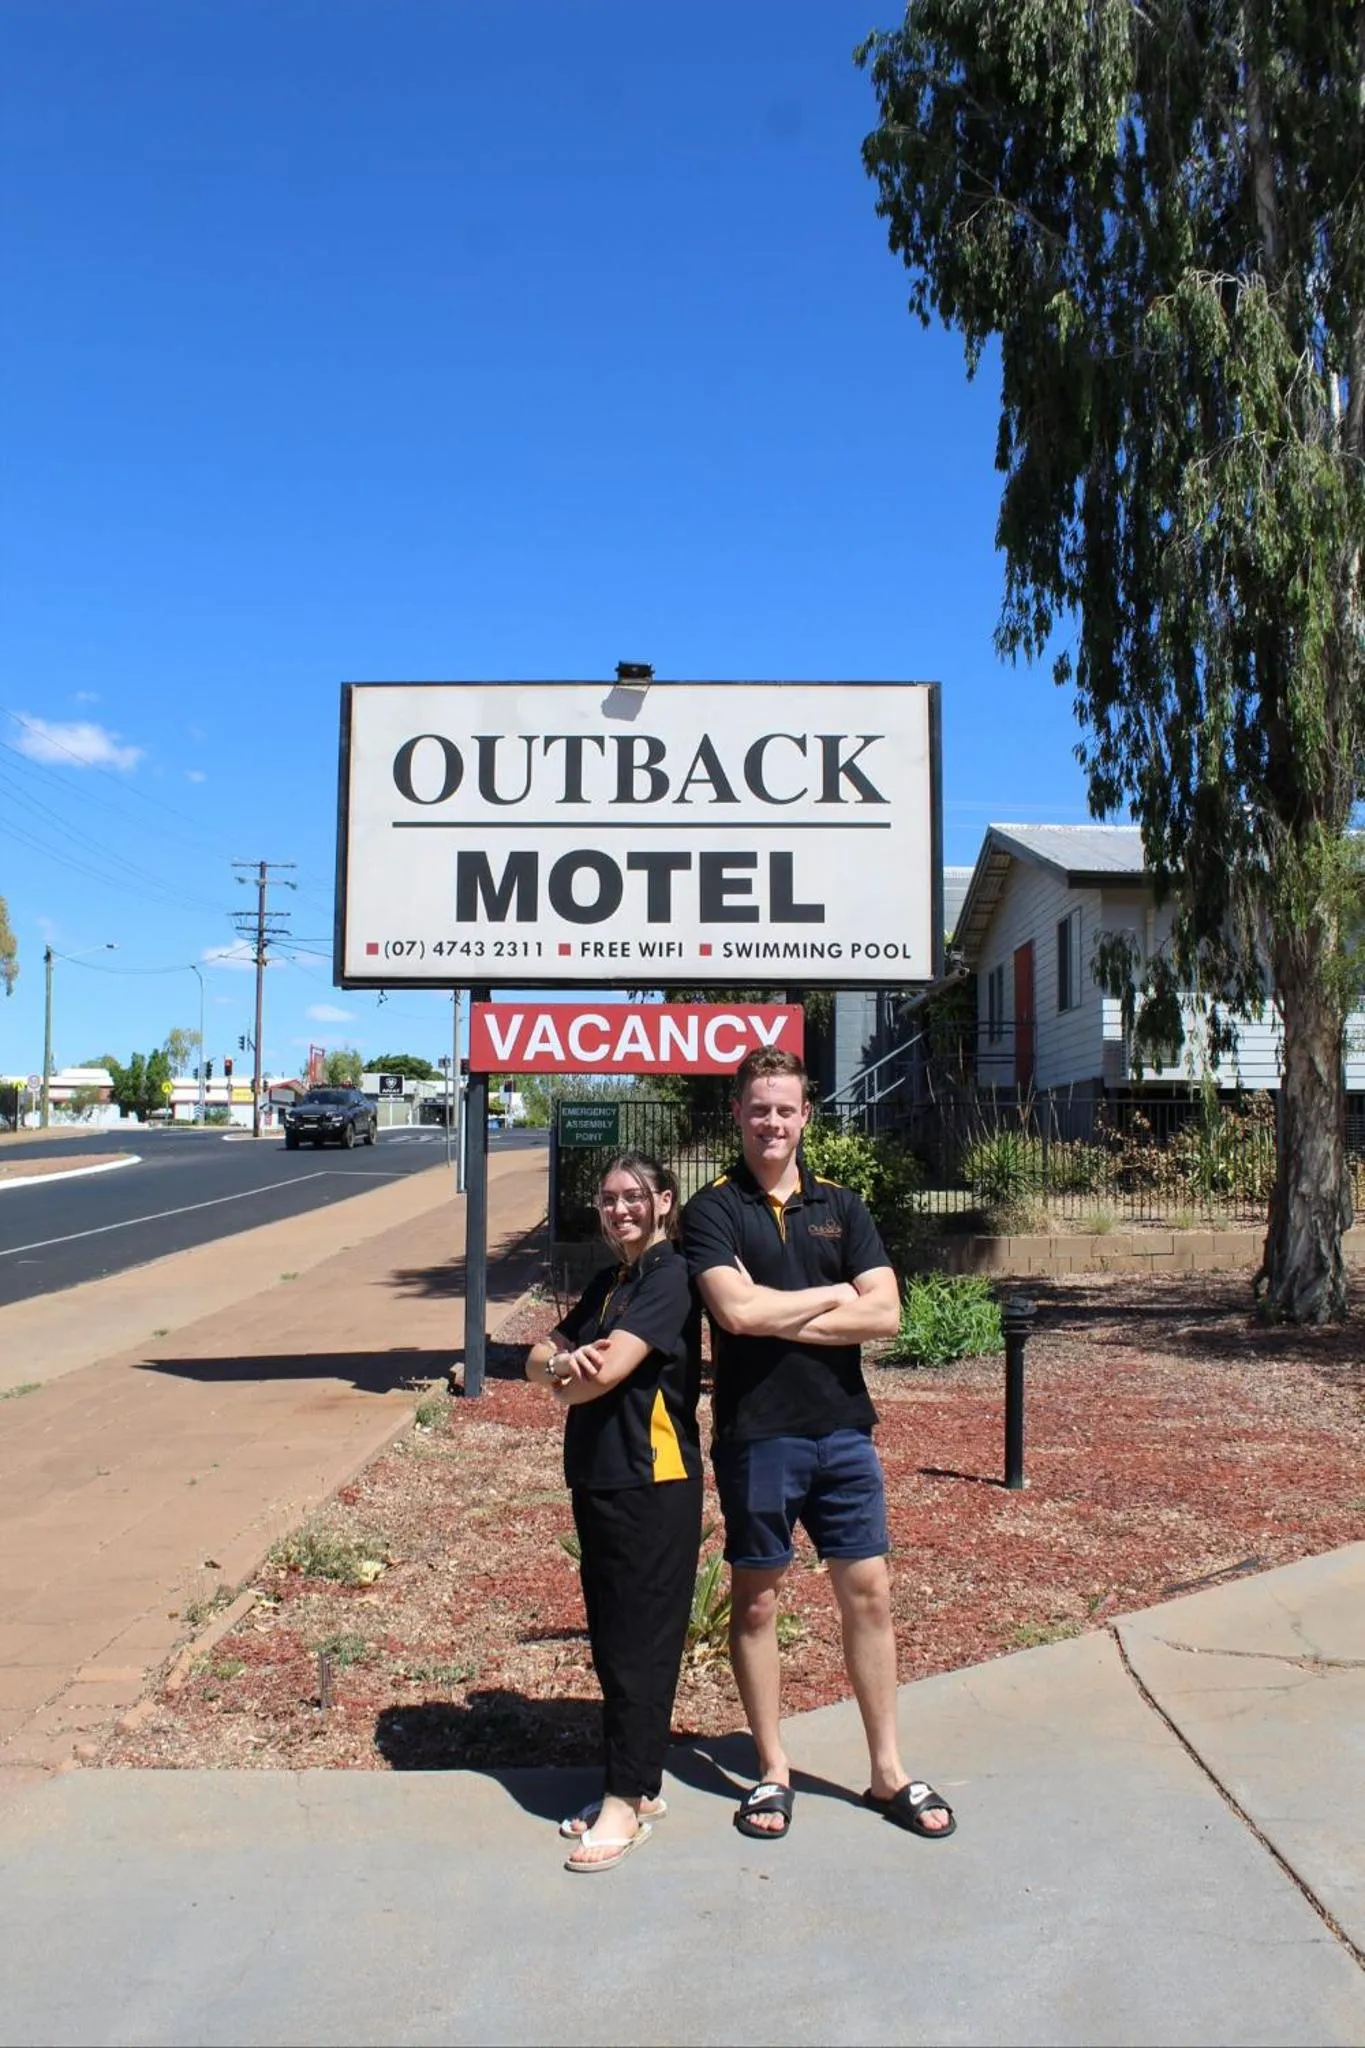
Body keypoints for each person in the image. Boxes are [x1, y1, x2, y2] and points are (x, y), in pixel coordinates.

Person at [681, 1047, 956, 1843]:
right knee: (757, 1600)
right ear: (737, 1114)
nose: (771, 1122)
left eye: (784, 1109)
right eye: (757, 1109)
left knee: (868, 1592)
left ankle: (887, 1772)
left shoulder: (842, 1206)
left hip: (842, 1431)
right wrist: (836, 1294)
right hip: (756, 1434)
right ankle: (772, 1771)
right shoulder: (711, 1210)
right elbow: (734, 1315)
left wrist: (782, 1307)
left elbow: (885, 1315)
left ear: (805, 1116)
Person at [527, 1151, 703, 1873]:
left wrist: (564, 1378)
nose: (619, 1209)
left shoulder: (671, 1277)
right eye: (607, 1199)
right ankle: (639, 1784)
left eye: (633, 1196)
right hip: (598, 1477)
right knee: (610, 1638)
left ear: (664, 1201)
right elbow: (538, 1359)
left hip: (651, 1481)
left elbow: (603, 1374)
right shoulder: (610, 1282)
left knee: (640, 1644)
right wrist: (559, 1368)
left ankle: (624, 1803)